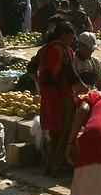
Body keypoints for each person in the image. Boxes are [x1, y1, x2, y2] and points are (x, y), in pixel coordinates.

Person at [34, 22, 88, 177]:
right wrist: (81, 86)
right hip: (61, 96)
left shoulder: (46, 48)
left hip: (48, 95)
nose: (73, 40)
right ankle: (58, 166)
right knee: (65, 130)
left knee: (54, 133)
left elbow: (33, 68)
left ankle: (49, 167)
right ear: (64, 34)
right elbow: (68, 72)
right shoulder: (61, 49)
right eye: (71, 36)